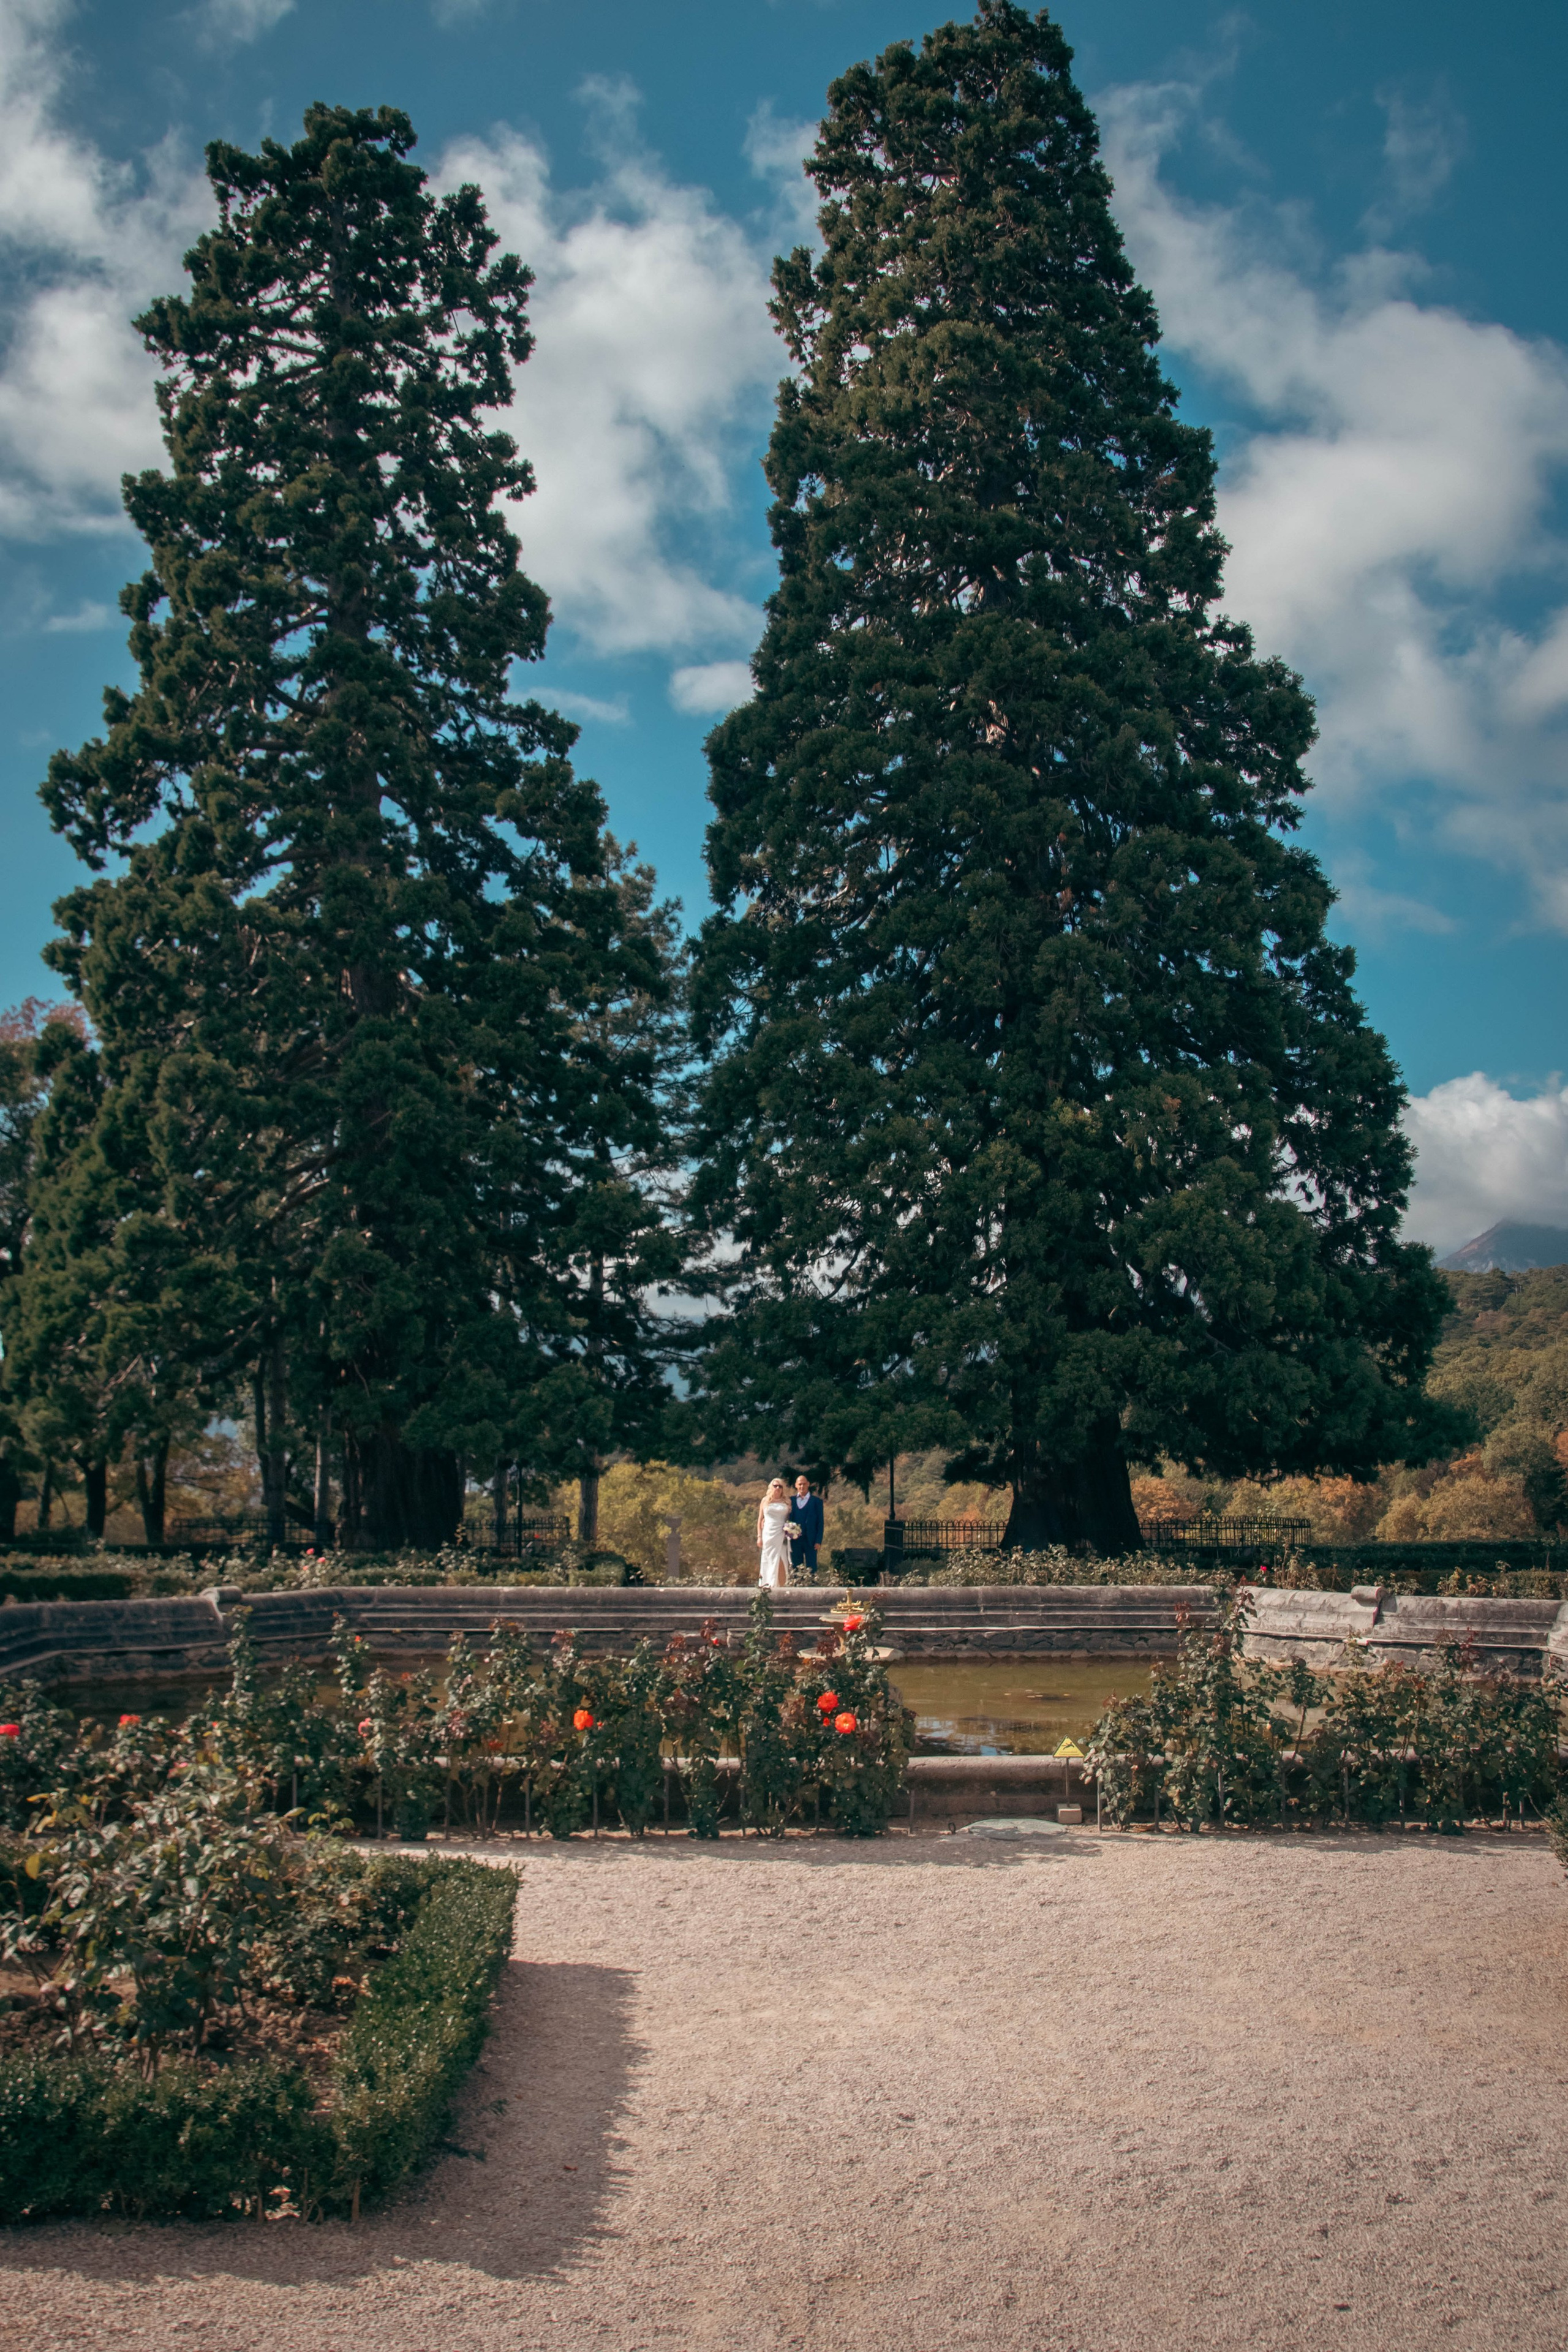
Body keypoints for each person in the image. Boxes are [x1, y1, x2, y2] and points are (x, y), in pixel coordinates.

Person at [756, 1477, 796, 1589]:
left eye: (780, 1486)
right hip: (768, 1533)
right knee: (767, 1558)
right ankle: (766, 1583)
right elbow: (760, 1520)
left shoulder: (787, 1501)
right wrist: (759, 1536)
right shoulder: (765, 1500)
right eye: (775, 1486)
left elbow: (790, 1518)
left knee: (782, 1558)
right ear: (771, 1487)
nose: (778, 1488)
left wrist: (791, 1529)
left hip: (781, 1533)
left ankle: (781, 1584)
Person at [790, 1474, 824, 1578]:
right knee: (796, 1567)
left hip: (811, 1540)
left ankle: (813, 1588)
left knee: (812, 1568)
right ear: (796, 1485)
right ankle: (796, 1588)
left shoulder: (816, 1502)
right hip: (795, 1540)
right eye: (800, 1484)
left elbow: (820, 1522)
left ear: (808, 1484)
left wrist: (819, 1541)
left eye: (804, 1484)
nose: (802, 1486)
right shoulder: (791, 1501)